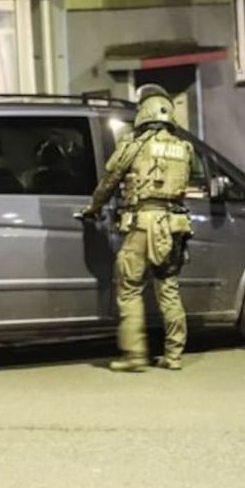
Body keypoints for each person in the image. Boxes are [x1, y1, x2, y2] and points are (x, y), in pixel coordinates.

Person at [79, 85, 193, 372]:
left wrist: (92, 209)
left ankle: (134, 356)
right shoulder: (184, 148)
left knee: (129, 289)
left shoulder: (135, 145)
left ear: (144, 113)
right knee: (169, 290)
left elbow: (109, 181)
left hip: (142, 225)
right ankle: (174, 355)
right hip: (174, 226)